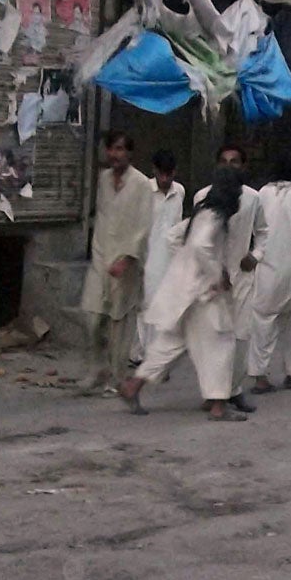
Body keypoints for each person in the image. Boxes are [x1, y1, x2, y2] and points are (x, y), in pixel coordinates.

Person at [122, 166, 250, 422]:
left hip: (186, 293)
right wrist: (216, 274)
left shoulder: (201, 213)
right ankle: (217, 405)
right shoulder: (215, 216)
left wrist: (185, 267)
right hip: (203, 294)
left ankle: (132, 386)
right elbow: (202, 246)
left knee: (172, 343)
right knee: (220, 344)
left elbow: (175, 237)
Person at [80, 130, 151, 392]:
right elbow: (102, 217)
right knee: (92, 317)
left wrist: (128, 258)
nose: (115, 155)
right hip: (101, 256)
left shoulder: (142, 184)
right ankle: (97, 369)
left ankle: (118, 376)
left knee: (120, 321)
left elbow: (144, 226)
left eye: (121, 149)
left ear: (129, 153)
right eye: (112, 149)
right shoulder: (104, 179)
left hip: (126, 261)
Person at [205, 142, 267, 414]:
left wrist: (255, 255)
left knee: (241, 335)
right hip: (213, 280)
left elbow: (263, 231)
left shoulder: (253, 199)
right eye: (224, 161)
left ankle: (234, 391)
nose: (229, 167)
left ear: (244, 167)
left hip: (242, 276)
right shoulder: (203, 197)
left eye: (235, 162)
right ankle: (213, 394)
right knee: (214, 337)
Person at [247, 164, 291, 393]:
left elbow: (253, 226)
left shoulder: (262, 192)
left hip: (265, 265)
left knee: (263, 319)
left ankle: (259, 375)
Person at [138, 149, 186, 360]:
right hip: (147, 254)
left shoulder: (180, 192)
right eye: (161, 174)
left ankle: (151, 354)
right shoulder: (143, 191)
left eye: (169, 174)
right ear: (154, 171)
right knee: (146, 305)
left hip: (170, 256)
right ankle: (147, 355)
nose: (165, 179)